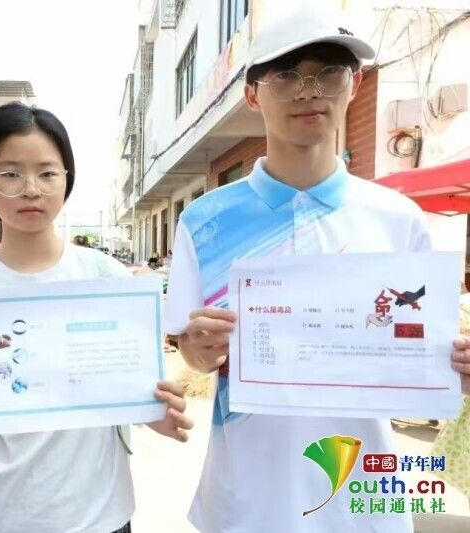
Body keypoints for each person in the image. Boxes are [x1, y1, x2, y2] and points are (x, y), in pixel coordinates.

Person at [164, 8, 470, 533]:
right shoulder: (205, 221)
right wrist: (200, 349)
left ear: (354, 85)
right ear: (252, 94)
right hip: (248, 497)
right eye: (286, 75)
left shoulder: (398, 219)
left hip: (362, 500)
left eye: (329, 73)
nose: (309, 92)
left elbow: (423, 357)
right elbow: (192, 352)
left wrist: (453, 366)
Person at [0, 102, 193, 533]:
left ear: (67, 179)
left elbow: (132, 396)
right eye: (11, 174)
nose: (31, 190)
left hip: (97, 517)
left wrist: (159, 411)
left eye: (47, 173)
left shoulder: (107, 277)